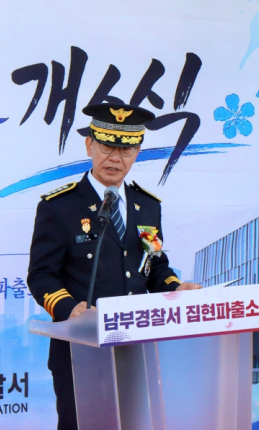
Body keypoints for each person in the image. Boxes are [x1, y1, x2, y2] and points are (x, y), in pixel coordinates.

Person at [27, 103, 202, 430]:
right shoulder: (60, 206)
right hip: (81, 349)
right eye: (107, 146)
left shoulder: (147, 206)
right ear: (89, 145)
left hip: (137, 346)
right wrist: (70, 308)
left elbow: (153, 265)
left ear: (137, 153)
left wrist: (176, 288)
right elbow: (41, 276)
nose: (115, 158)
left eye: (126, 150)